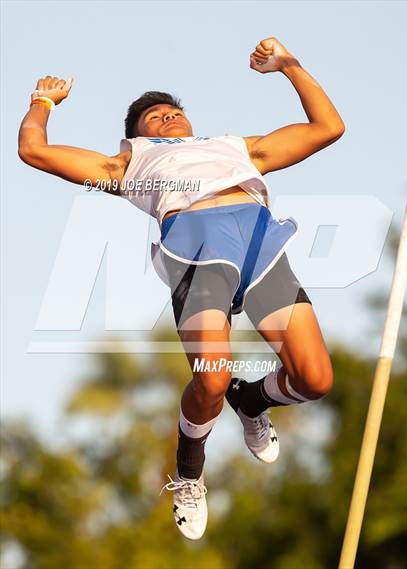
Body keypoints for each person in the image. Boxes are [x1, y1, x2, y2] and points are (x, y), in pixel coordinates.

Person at [18, 36, 345, 540]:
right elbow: (33, 151)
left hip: (258, 241)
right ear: (135, 137)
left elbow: (329, 128)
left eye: (173, 112)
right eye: (154, 117)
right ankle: (190, 473)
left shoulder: (236, 147)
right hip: (196, 247)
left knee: (315, 380)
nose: (167, 117)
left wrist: (289, 65)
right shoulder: (128, 166)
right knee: (212, 379)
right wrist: (42, 103)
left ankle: (253, 400)